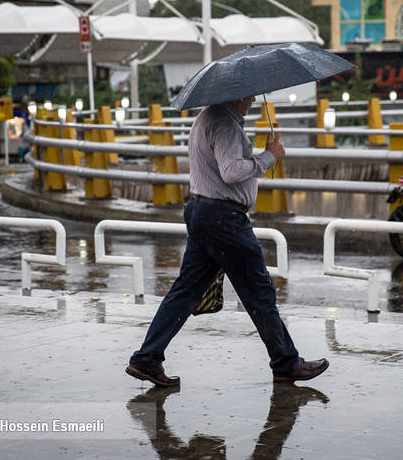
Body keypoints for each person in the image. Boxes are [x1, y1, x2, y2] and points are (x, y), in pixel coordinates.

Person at [126, 95, 329, 387]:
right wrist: (270, 155)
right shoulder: (226, 124)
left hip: (202, 211)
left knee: (185, 291)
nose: (254, 99)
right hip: (224, 220)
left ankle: (146, 358)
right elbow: (231, 171)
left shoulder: (206, 117)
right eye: (250, 95)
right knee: (259, 292)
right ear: (240, 95)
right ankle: (286, 362)